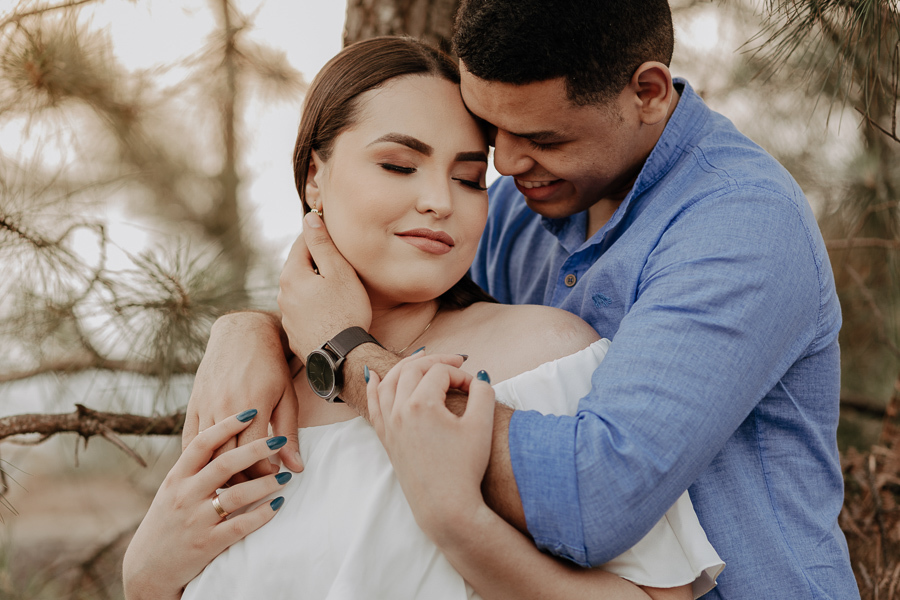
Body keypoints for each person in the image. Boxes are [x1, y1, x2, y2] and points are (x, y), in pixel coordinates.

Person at [184, 1, 860, 598]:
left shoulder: (741, 224)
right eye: (492, 134)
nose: (504, 165)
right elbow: (384, 287)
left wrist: (346, 357)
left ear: (648, 93)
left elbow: (596, 496)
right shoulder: (518, 205)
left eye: (542, 137)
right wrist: (253, 330)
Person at [123, 36, 723, 600]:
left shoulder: (546, 354)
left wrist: (460, 526)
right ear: (315, 176)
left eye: (467, 177)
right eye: (399, 166)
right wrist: (145, 576)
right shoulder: (251, 388)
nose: (440, 200)